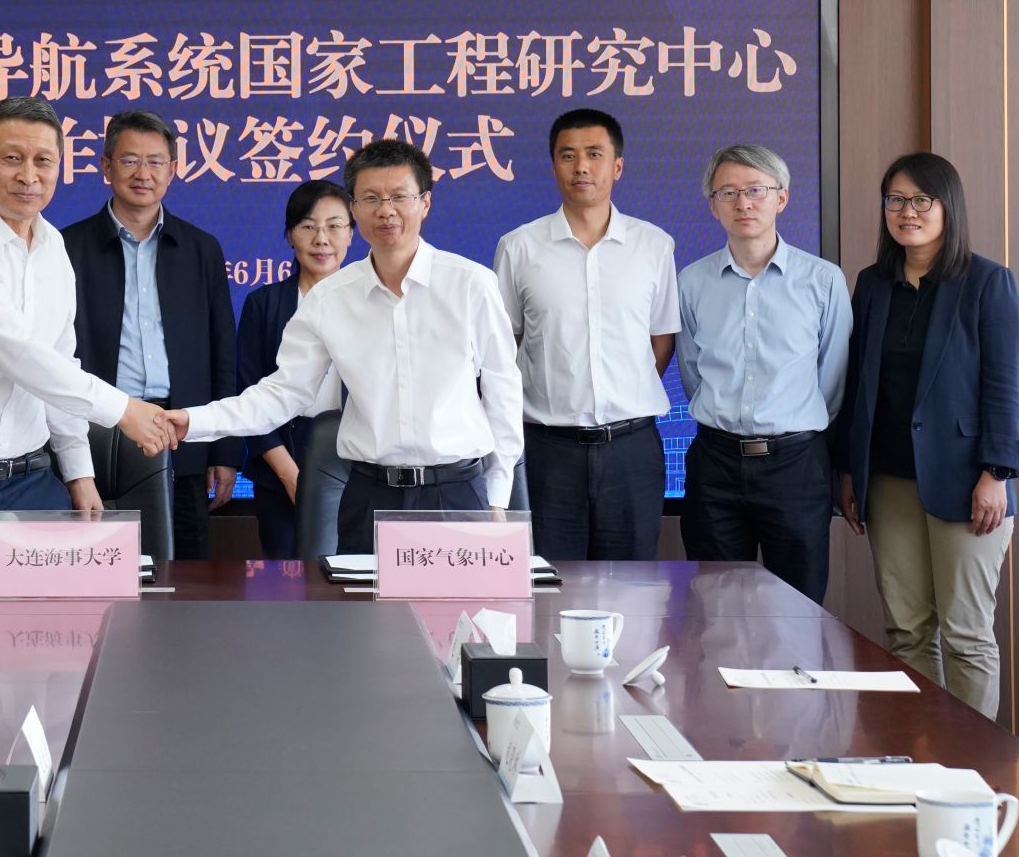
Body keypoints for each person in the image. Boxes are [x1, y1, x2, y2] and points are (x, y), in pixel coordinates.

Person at [165, 140, 523, 555]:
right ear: (355, 208)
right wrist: (194, 421)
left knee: (457, 600)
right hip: (369, 495)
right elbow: (282, 393)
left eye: (399, 197)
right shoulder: (330, 299)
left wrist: (498, 497)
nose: (386, 211)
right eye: (371, 199)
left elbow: (502, 390)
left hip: (457, 492)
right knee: (361, 601)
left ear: (425, 202)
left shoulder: (470, 284)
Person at [0, 95, 176, 560]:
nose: (28, 175)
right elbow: (16, 352)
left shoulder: (53, 246)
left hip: (29, 484)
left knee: (47, 609)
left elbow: (58, 363)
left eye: (43, 161)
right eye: (12, 159)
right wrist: (123, 410)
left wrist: (78, 471)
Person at [833, 153, 1019, 716]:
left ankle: (972, 761)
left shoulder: (987, 282)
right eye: (896, 200)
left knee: (966, 633)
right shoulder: (873, 284)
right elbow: (858, 385)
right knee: (907, 631)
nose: (908, 212)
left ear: (949, 207)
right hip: (888, 478)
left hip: (966, 481)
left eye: (922, 200)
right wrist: (849, 469)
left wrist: (996, 473)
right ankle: (921, 753)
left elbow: (1004, 386)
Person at [495, 109, 679, 561]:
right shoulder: (519, 247)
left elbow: (661, 339)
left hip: (631, 449)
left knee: (632, 585)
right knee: (549, 581)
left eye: (595, 154)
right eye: (568, 155)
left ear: (617, 166)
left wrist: (622, 390)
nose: (581, 167)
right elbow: (503, 345)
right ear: (554, 165)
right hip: (547, 449)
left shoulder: (654, 245)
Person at [676, 142, 850, 603]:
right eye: (728, 193)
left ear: (782, 198)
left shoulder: (823, 280)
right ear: (713, 205)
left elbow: (832, 377)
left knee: (799, 609)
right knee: (714, 608)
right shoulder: (691, 282)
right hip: (715, 463)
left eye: (756, 190)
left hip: (796, 466)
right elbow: (692, 372)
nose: (743, 203)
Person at [64, 110, 240, 560]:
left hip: (179, 432)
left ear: (173, 169)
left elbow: (223, 353)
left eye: (155, 162)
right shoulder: (66, 247)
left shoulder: (201, 249)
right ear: (106, 167)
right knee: (97, 568)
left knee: (183, 572)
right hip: (98, 434)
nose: (143, 173)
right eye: (129, 161)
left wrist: (224, 449)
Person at [237, 180, 354, 560]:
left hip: (355, 457)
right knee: (287, 578)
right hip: (283, 453)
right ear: (290, 235)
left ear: (352, 234)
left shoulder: (371, 305)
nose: (322, 239)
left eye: (334, 226)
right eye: (308, 226)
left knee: (353, 576)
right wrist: (289, 474)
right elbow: (249, 391)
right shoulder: (263, 304)